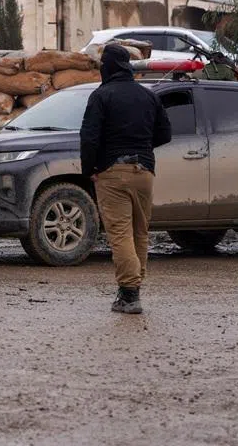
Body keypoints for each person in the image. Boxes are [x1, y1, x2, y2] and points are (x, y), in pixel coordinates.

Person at [79, 43, 172, 315]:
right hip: (145, 171)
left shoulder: (101, 96)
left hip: (113, 172)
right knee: (140, 232)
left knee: (120, 233)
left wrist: (90, 169)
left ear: (107, 67)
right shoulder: (148, 95)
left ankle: (129, 294)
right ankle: (133, 288)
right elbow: (165, 134)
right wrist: (142, 148)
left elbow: (89, 137)